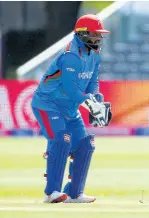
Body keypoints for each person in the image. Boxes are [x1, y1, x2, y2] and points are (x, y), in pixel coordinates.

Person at [31, 14, 112, 203]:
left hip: (69, 109)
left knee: (85, 145)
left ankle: (75, 193)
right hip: (48, 105)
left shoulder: (94, 54)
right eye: (94, 35)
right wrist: (91, 104)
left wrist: (97, 99)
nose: (98, 39)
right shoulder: (71, 56)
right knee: (61, 140)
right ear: (82, 34)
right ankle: (52, 193)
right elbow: (71, 90)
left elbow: (92, 82)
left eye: (99, 35)